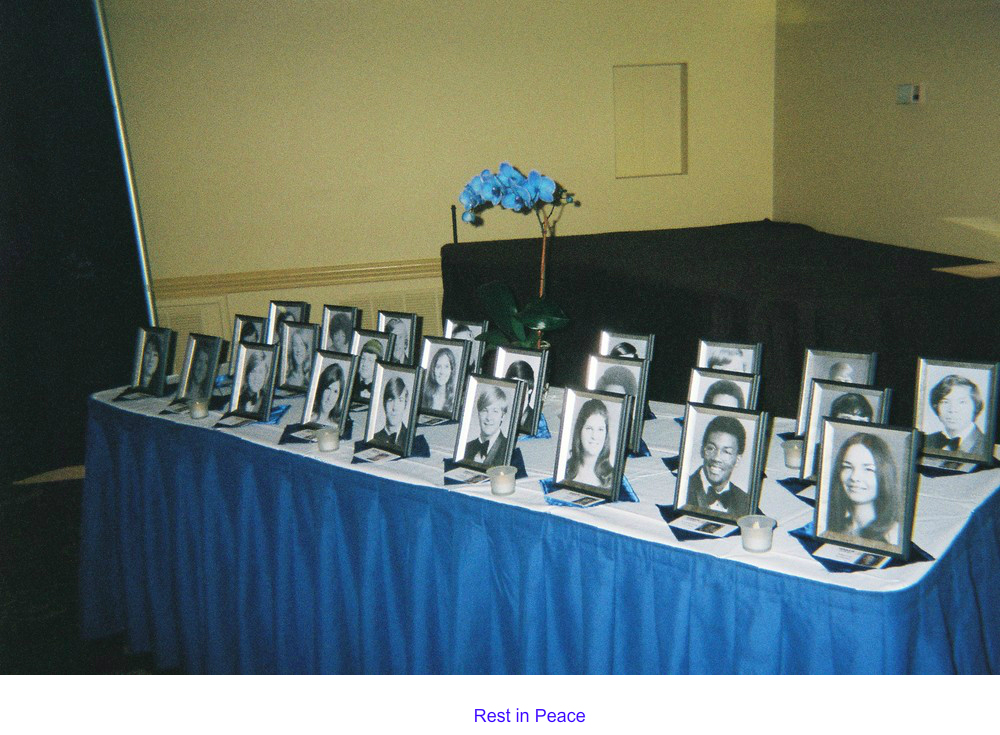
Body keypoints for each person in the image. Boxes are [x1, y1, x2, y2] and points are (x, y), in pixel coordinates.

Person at [825, 432, 901, 546]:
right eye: (847, 467)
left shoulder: (893, 536)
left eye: (868, 469)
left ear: (885, 475)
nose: (854, 477)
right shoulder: (831, 526)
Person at [686, 415, 751, 517]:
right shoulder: (684, 489)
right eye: (711, 448)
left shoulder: (745, 501)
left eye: (726, 452)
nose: (716, 458)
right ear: (702, 450)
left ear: (737, 460)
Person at [923, 375, 988, 456]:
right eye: (945, 402)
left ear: (976, 406)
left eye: (962, 402)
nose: (952, 410)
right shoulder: (926, 441)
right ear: (936, 406)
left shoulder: (987, 446)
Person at [565, 399, 614, 488]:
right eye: (589, 428)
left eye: (600, 429)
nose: (594, 436)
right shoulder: (564, 470)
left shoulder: (613, 478)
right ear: (579, 431)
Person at [464, 386, 510, 466]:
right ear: (478, 413)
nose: (489, 417)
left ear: (502, 416)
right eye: (485, 410)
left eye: (495, 411)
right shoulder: (466, 447)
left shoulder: (508, 450)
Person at [373, 376, 410, 448]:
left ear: (405, 405)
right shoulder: (372, 438)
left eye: (400, 400)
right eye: (390, 400)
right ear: (384, 404)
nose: (395, 408)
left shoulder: (415, 441)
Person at [423, 347, 458, 413]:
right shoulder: (424, 396)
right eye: (438, 367)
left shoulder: (455, 401)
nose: (442, 372)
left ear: (451, 370)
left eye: (446, 367)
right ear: (433, 369)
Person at [504, 360, 536, 430]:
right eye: (513, 384)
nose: (516, 390)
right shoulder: (501, 414)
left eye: (521, 386)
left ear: (530, 390)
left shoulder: (535, 420)